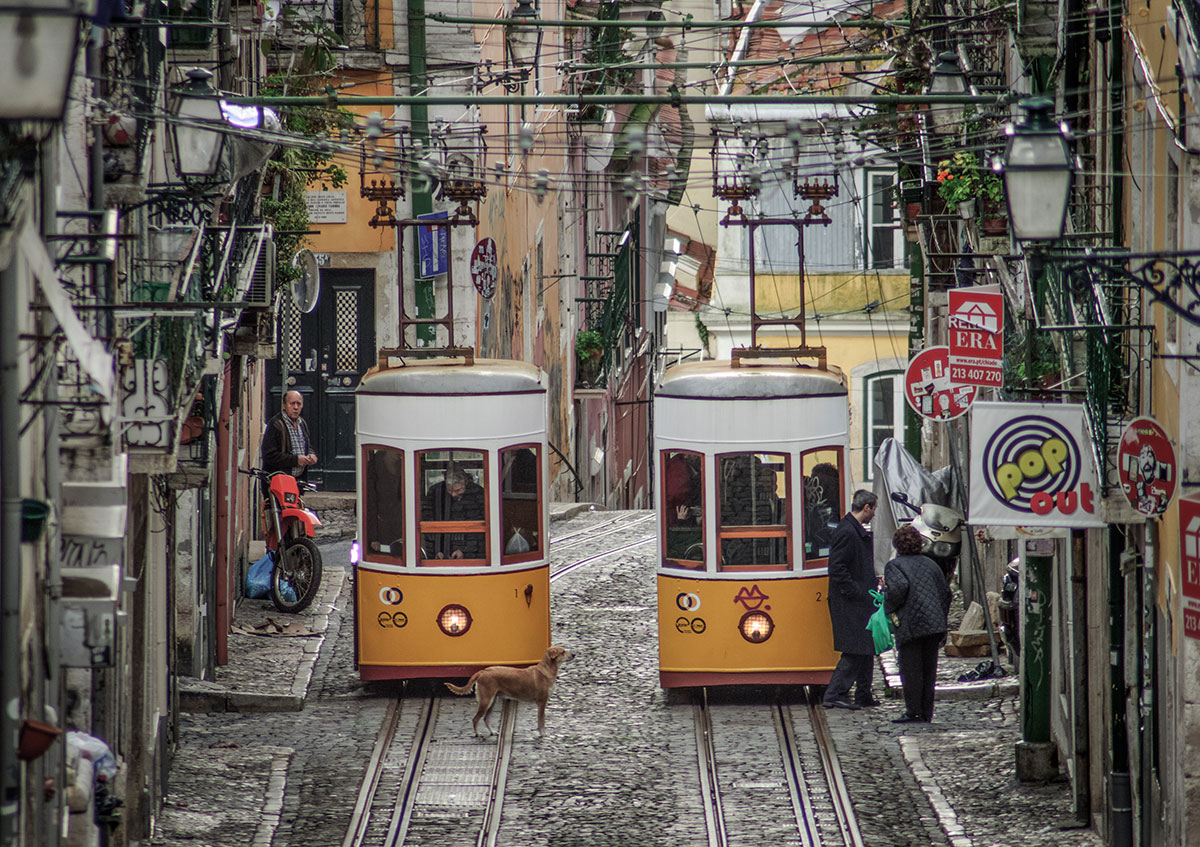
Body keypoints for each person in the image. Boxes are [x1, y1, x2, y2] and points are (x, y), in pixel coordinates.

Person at [884, 523, 952, 724]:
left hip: (911, 624)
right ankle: (926, 712)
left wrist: (889, 606)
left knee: (911, 668)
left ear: (898, 546)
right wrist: (940, 616)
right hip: (934, 625)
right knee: (929, 669)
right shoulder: (932, 564)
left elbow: (898, 589)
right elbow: (946, 594)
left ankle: (913, 711)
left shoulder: (895, 566)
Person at [822, 489, 879, 710]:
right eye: (874, 509)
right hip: (850, 601)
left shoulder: (852, 529)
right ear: (867, 508)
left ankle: (863, 694)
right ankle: (835, 693)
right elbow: (837, 567)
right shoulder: (847, 532)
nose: (874, 514)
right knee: (855, 649)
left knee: (866, 647)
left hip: (859, 599)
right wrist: (855, 591)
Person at [423, 467, 486, 559]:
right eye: (449, 490)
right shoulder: (435, 492)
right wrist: (437, 550)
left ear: (465, 482)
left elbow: (479, 528)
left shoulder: (478, 494)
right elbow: (428, 522)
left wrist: (464, 550)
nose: (453, 494)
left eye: (457, 490)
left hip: (472, 552)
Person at [261, 390, 317, 480]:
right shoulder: (276, 424)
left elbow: (306, 445)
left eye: (299, 404)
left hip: (298, 481)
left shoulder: (302, 423)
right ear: (284, 405)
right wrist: (296, 460)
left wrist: (311, 454)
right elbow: (269, 456)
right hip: (279, 482)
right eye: (292, 404)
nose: (296, 407)